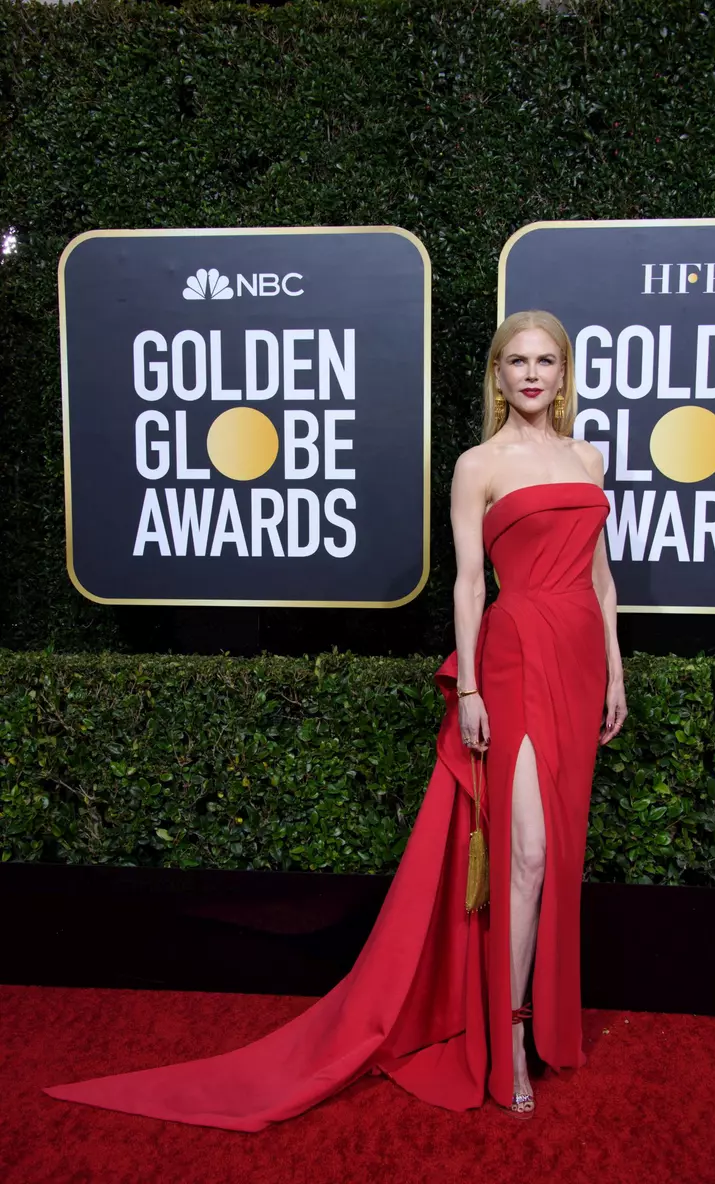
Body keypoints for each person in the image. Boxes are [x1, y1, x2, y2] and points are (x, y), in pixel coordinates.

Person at [44, 309, 626, 1127]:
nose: (532, 374)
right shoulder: (479, 465)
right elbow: (467, 583)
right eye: (516, 362)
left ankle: (533, 1016)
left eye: (546, 361)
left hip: (581, 659)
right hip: (519, 657)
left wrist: (616, 671)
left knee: (558, 852)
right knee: (524, 854)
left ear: (563, 374)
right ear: (497, 376)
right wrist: (469, 689)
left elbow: (601, 578)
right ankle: (512, 1035)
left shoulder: (589, 458)